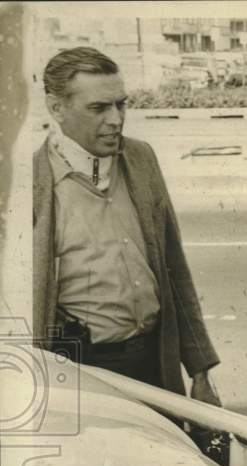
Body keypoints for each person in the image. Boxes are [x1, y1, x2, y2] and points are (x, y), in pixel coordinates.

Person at [33, 47, 221, 406]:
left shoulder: (141, 158)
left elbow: (173, 268)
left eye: (121, 105)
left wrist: (200, 371)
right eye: (99, 108)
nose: (116, 119)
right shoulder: (32, 182)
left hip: (152, 362)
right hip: (80, 370)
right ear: (56, 108)